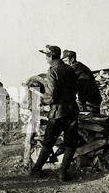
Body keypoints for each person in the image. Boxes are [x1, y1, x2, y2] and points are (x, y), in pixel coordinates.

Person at [30, 45, 79, 181]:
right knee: (70, 142)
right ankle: (63, 173)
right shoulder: (70, 69)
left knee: (48, 141)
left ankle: (36, 169)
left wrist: (41, 100)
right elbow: (75, 89)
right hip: (72, 110)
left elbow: (50, 96)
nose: (45, 59)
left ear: (51, 56)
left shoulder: (52, 72)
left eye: (46, 56)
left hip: (58, 112)